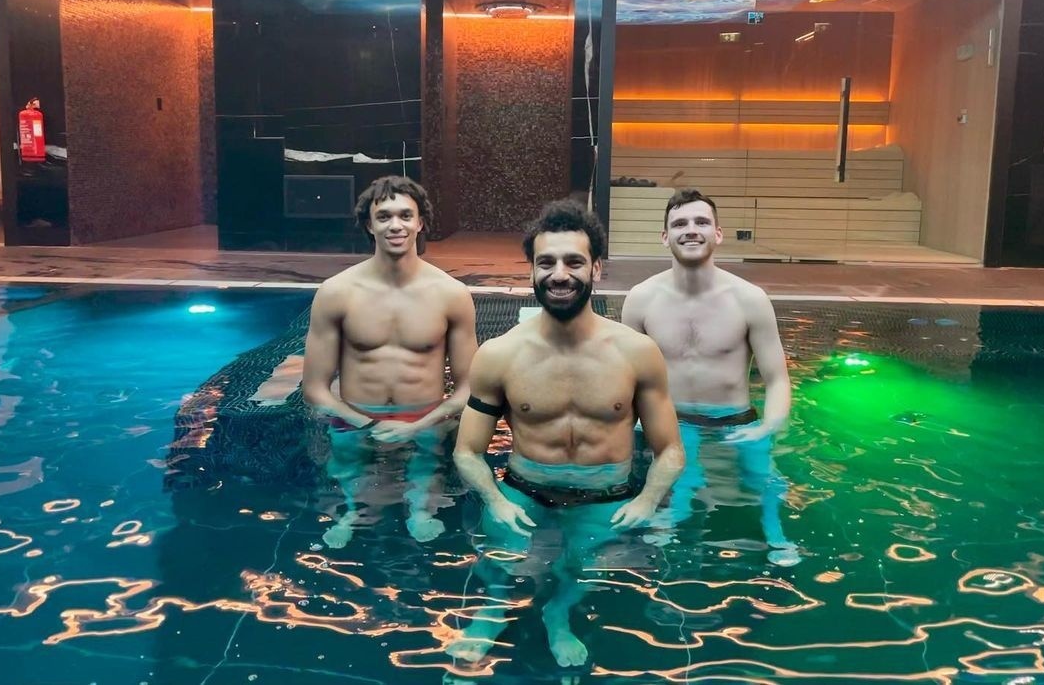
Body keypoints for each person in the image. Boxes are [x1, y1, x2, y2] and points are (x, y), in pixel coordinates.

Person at [449, 199, 684, 668]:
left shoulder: (637, 352)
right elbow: (467, 452)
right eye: (546, 263)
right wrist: (496, 501)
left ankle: (559, 612)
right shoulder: (499, 354)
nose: (560, 274)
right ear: (532, 271)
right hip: (524, 493)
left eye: (574, 262)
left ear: (596, 268)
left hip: (608, 495)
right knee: (504, 563)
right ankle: (492, 612)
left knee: (590, 569)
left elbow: (671, 451)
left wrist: (645, 501)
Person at [622, 188, 799, 566]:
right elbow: (628, 378)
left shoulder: (749, 299)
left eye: (701, 222)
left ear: (718, 234)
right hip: (671, 422)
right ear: (665, 236)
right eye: (679, 224)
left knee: (766, 482)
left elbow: (777, 380)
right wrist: (632, 425)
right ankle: (670, 520)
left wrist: (769, 428)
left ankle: (775, 533)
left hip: (735, 423)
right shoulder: (641, 298)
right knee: (675, 491)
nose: (691, 230)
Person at [301, 175, 477, 545]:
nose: (395, 225)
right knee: (346, 463)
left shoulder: (451, 294)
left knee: (429, 457)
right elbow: (315, 389)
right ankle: (352, 510)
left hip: (425, 419)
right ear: (369, 225)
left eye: (405, 215)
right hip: (355, 420)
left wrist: (417, 427)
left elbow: (468, 390)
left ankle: (421, 508)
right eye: (384, 217)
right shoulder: (336, 293)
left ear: (420, 223)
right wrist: (365, 424)